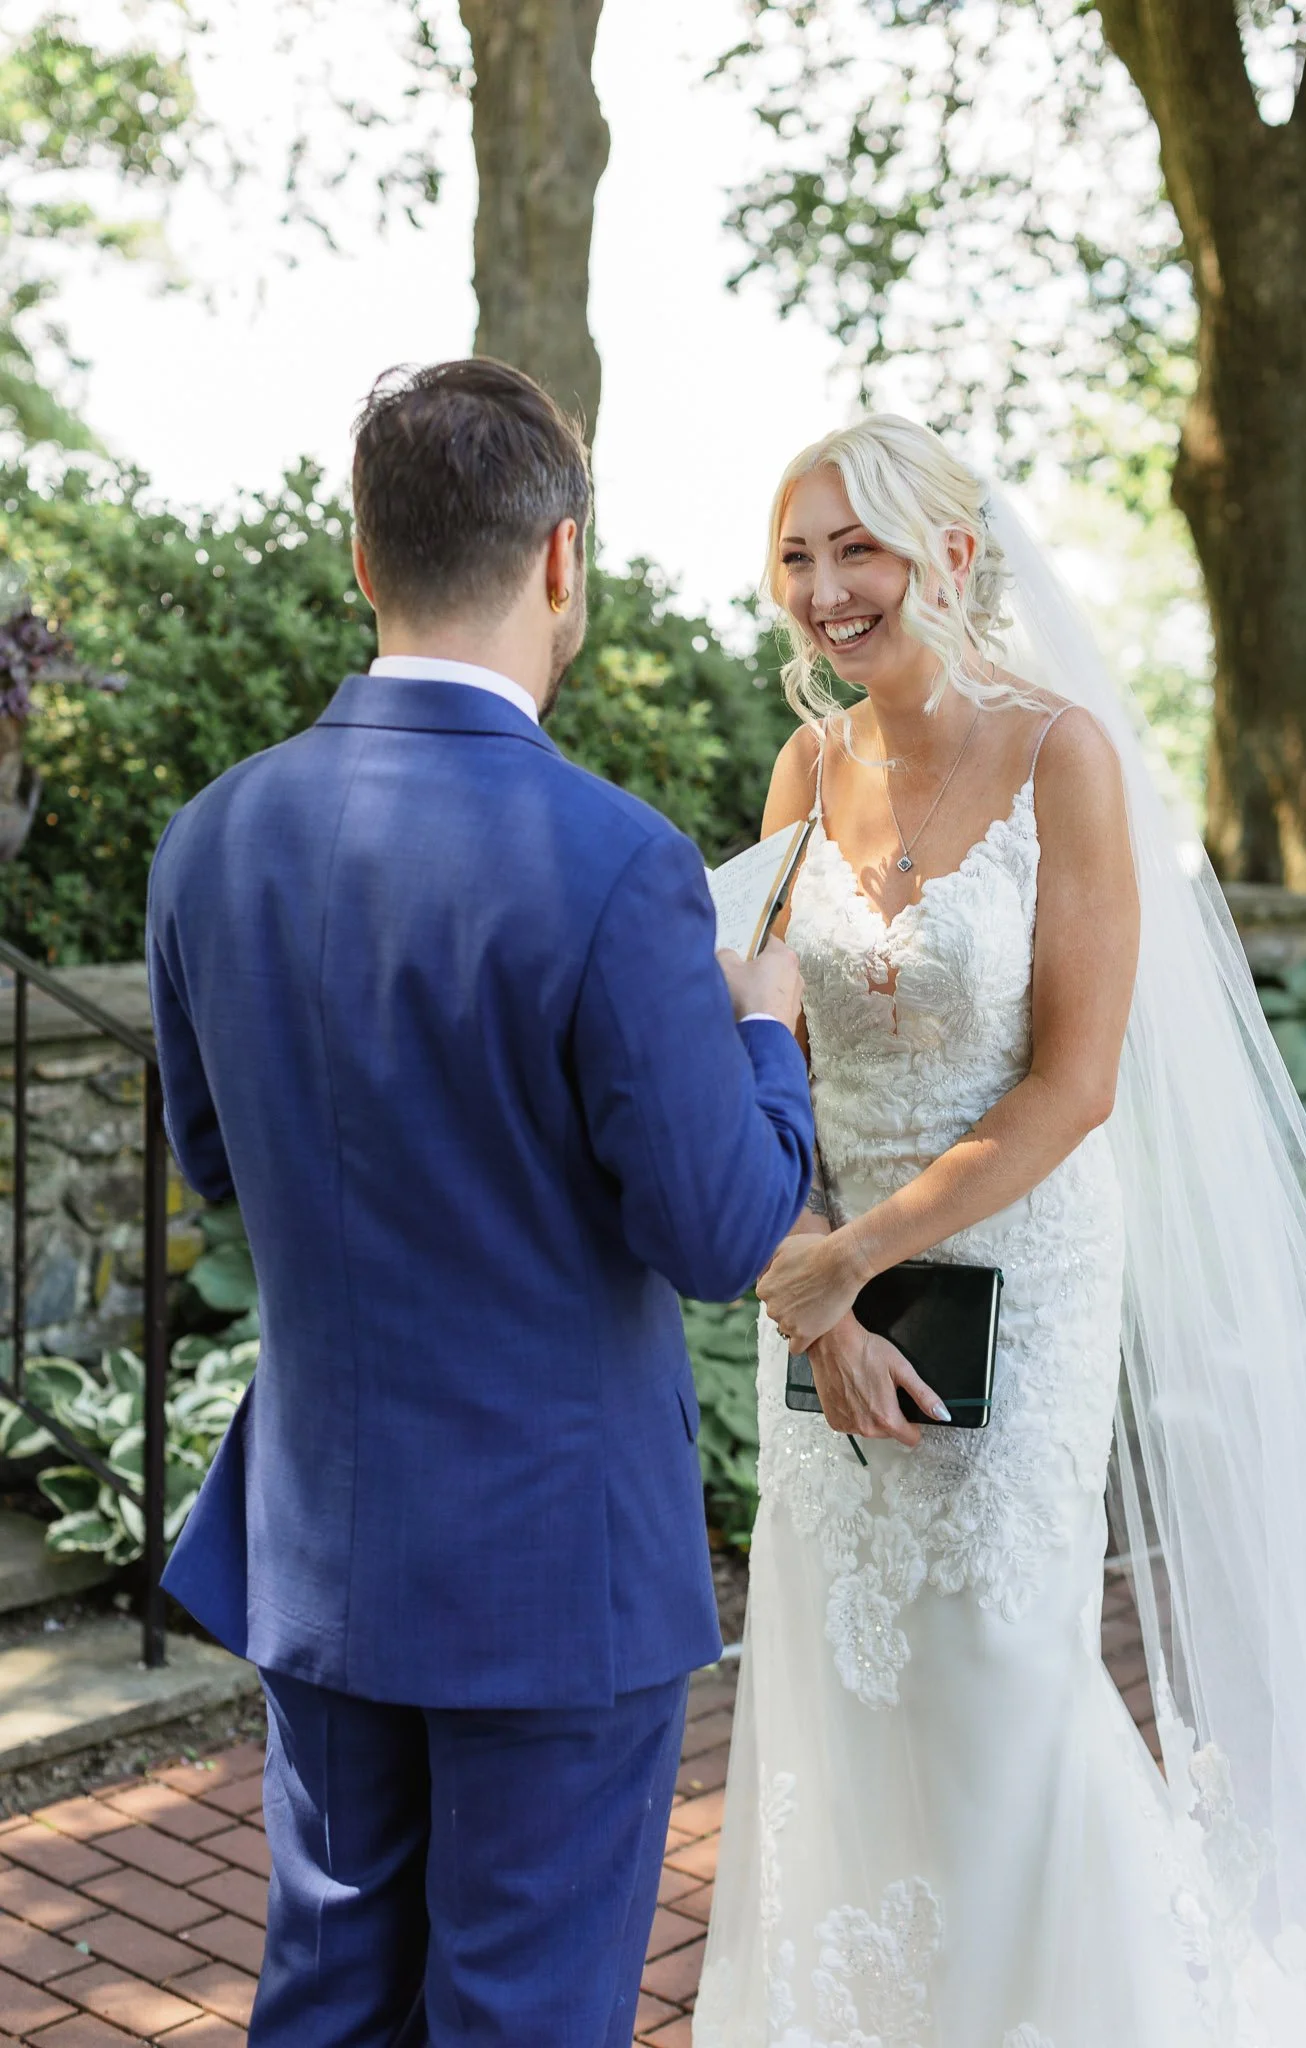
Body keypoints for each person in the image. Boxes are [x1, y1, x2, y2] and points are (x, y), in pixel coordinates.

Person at [146, 358, 815, 2047]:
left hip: (323, 1542)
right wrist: (767, 1035)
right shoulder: (616, 861)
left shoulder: (210, 841)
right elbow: (727, 1232)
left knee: (327, 1994)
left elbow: (218, 1164)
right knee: (523, 2013)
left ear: (364, 562)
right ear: (563, 561)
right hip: (549, 1570)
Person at [693, 414, 1306, 2047]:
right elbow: (763, 1041)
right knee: (844, 1671)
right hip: (831, 1285)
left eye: (859, 548)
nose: (827, 589)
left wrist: (856, 1260)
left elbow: (1075, 1086)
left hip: (1021, 1273)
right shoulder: (805, 770)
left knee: (998, 1669)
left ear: (955, 556)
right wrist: (817, 1287)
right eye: (798, 556)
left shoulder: (1064, 755)